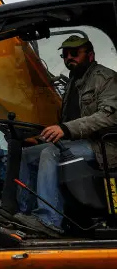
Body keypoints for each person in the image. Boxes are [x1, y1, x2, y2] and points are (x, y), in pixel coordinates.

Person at [13, 35, 117, 235]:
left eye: (75, 53)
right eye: (65, 55)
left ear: (90, 55)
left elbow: (108, 117)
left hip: (103, 146)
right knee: (27, 155)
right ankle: (25, 214)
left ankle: (49, 220)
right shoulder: (73, 81)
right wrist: (45, 136)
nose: (69, 58)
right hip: (76, 142)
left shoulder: (106, 79)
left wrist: (65, 129)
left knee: (50, 153)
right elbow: (67, 118)